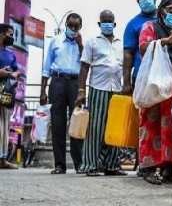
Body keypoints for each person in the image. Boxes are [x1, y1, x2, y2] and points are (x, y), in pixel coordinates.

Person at [137, 0, 172, 185]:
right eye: (171, 11)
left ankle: (168, 168)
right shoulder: (150, 27)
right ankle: (148, 167)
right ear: (161, 11)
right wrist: (165, 41)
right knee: (152, 123)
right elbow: (143, 47)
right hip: (155, 84)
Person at [75, 10, 125, 176]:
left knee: (114, 128)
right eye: (104, 21)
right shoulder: (92, 42)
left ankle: (112, 165)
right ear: (99, 24)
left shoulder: (120, 43)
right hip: (98, 88)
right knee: (95, 128)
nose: (107, 24)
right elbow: (84, 67)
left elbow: (124, 66)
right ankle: (90, 165)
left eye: (110, 21)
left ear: (115, 24)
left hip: (116, 89)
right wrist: (81, 90)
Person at [41, 13, 85, 174]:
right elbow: (46, 68)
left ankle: (79, 164)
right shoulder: (56, 40)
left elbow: (87, 65)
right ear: (66, 24)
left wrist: (81, 45)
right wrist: (42, 91)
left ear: (80, 27)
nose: (73, 29)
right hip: (57, 82)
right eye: (71, 26)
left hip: (75, 83)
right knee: (58, 123)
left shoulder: (82, 45)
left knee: (76, 122)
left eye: (76, 26)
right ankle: (59, 164)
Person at [122, 0, 158, 173]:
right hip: (142, 77)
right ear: (137, 1)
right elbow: (128, 54)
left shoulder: (164, 18)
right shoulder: (133, 24)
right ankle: (143, 161)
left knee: (163, 120)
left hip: (164, 77)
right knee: (144, 120)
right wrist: (126, 82)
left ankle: (164, 164)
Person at [0, 24, 19, 170]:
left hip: (6, 92)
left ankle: (3, 159)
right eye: (9, 34)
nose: (12, 37)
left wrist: (12, 73)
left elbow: (17, 71)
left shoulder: (10, 54)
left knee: (5, 125)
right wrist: (4, 72)